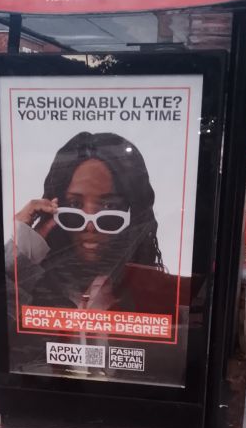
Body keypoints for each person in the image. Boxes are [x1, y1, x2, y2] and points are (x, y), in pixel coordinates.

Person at [11, 132, 165, 313]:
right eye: (74, 205)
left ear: (134, 213)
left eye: (109, 206)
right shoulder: (30, 292)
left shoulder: (160, 296)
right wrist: (22, 248)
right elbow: (5, 321)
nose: (90, 226)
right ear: (54, 207)